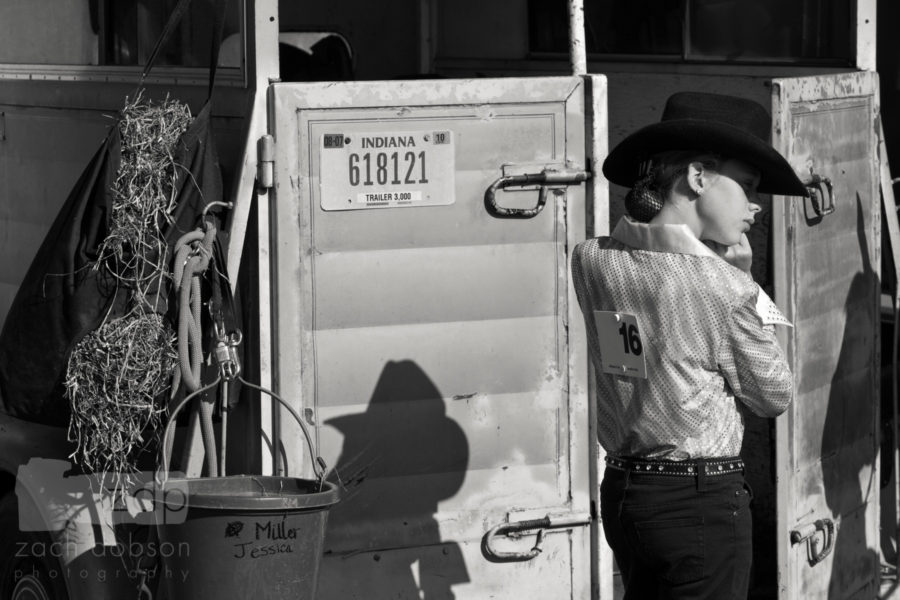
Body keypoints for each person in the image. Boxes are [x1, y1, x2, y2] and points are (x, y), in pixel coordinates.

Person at [571, 91, 807, 599]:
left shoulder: (591, 260)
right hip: (699, 500)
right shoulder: (723, 286)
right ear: (698, 177)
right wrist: (748, 286)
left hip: (625, 493)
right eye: (746, 186)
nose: (755, 207)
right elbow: (775, 394)